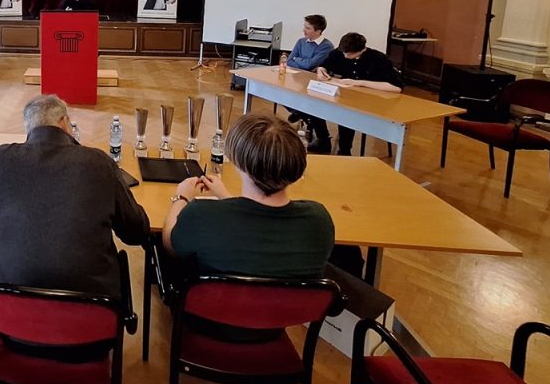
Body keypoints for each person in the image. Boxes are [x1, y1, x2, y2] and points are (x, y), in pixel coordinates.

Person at [0, 94, 150, 299]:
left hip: (11, 302)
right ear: (64, 122)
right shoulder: (98, 162)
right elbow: (135, 232)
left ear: (29, 128)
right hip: (91, 304)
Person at [163, 112, 334, 279]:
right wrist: (227, 197)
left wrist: (181, 197)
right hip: (290, 300)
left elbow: (171, 245)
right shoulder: (318, 220)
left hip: (222, 299)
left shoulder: (202, 214)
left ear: (238, 161)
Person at [309, 32, 403, 155]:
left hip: (372, 101)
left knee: (346, 114)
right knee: (314, 104)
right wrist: (321, 70)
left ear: (362, 49)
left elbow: (396, 87)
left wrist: (359, 83)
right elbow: (325, 65)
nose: (345, 56)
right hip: (346, 96)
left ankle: (344, 151)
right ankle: (323, 140)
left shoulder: (378, 59)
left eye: (349, 54)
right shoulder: (340, 52)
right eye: (344, 53)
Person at [283, 14, 334, 126]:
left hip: (314, 83)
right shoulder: (301, 42)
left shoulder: (327, 46)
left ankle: (303, 115)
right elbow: (289, 61)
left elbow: (310, 65)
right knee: (281, 93)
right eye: (304, 27)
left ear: (318, 31)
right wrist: (300, 62)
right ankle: (300, 113)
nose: (304, 30)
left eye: (308, 28)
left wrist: (297, 59)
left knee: (310, 105)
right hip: (297, 79)